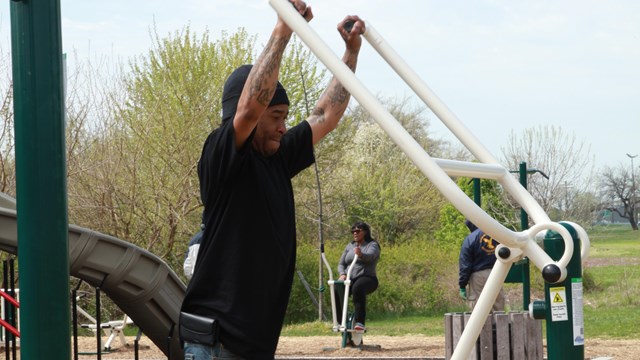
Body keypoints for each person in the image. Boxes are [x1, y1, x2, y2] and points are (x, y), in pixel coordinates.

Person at [179, 1, 366, 358]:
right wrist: (284, 30)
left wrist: (350, 53)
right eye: (277, 116)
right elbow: (249, 108)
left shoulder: (277, 156)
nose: (284, 126)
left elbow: (325, 115)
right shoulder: (222, 156)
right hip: (216, 344)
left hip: (253, 343)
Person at [337, 221, 380, 332]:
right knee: (337, 289)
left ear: (365, 232)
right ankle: (340, 321)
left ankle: (360, 322)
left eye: (357, 231)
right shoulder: (350, 246)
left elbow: (370, 256)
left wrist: (361, 254)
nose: (355, 233)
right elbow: (341, 264)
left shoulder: (373, 245)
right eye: (353, 231)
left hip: (367, 278)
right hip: (349, 278)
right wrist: (342, 274)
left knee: (358, 288)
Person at [458, 219, 505, 312]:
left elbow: (465, 265)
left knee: (479, 307)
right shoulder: (497, 235)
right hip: (497, 272)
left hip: (478, 276)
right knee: (497, 303)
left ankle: (483, 326)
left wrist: (462, 285)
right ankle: (499, 325)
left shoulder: (470, 239)